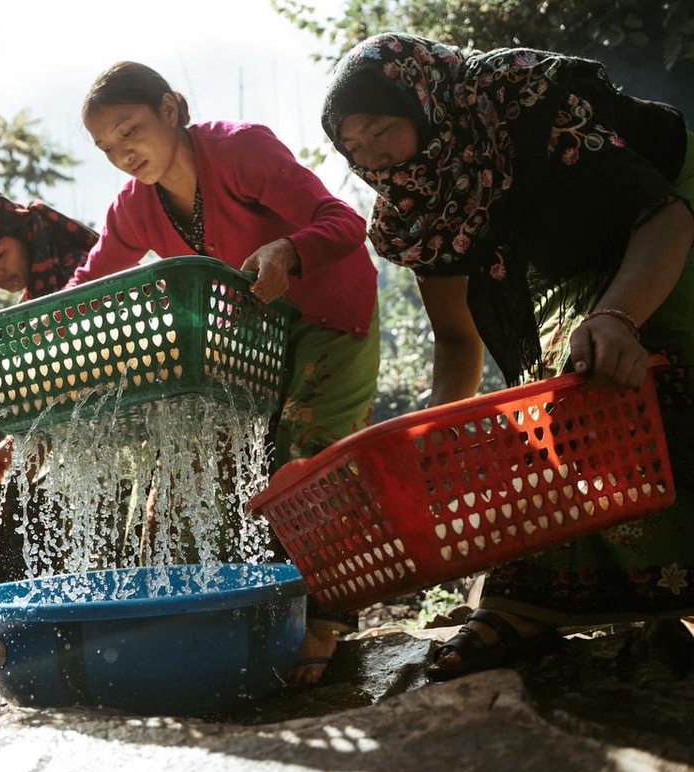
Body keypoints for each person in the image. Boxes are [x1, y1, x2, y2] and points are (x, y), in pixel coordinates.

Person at [321, 32, 694, 680]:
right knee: (565, 390)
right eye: (354, 147)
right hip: (565, 255)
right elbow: (457, 337)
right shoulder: (414, 211)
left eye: (381, 129)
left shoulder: (526, 102)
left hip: (667, 205)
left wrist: (616, 316)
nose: (373, 156)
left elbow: (660, 213)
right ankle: (529, 603)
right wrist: (433, 441)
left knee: (656, 362)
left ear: (424, 99)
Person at [70, 61, 382, 685]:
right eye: (107, 147)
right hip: (249, 342)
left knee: (308, 462)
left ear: (171, 108)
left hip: (328, 312)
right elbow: (89, 281)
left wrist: (288, 250)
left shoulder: (240, 151)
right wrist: (30, 334)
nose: (122, 153)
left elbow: (347, 223)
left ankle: (323, 625)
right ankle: (222, 620)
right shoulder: (133, 208)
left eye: (130, 129)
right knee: (198, 470)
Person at [0, 185, 98, 483]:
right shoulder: (29, 314)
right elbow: (47, 413)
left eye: (0, 255)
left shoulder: (83, 271)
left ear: (25, 235)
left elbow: (72, 393)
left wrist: (1, 466)